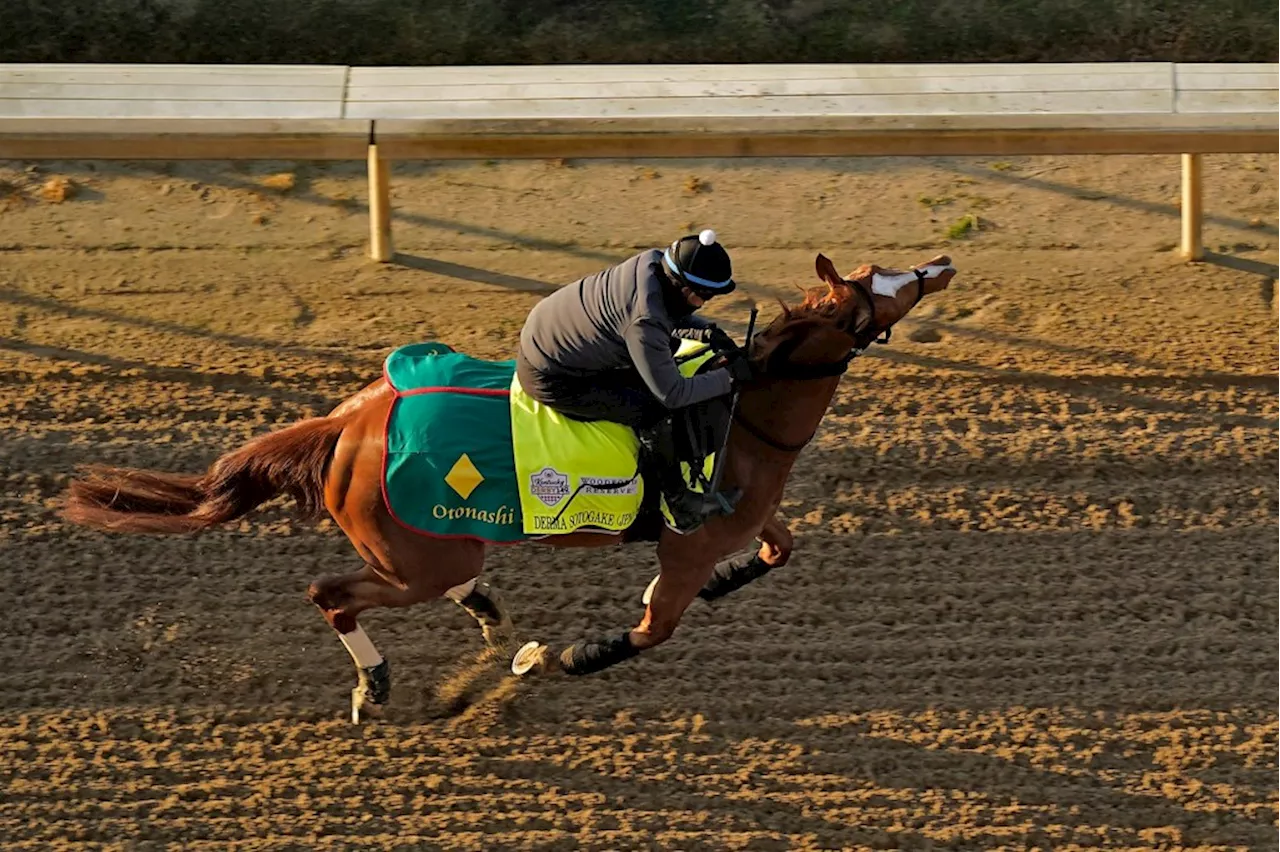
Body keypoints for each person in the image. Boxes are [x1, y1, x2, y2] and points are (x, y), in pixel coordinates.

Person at [516, 229, 754, 533]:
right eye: (704, 296)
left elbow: (668, 315)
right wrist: (730, 377)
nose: (705, 303)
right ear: (682, 286)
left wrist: (706, 331)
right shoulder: (644, 319)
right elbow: (673, 393)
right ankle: (680, 504)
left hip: (553, 337)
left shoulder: (654, 263)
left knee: (666, 351)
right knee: (651, 411)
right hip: (553, 377)